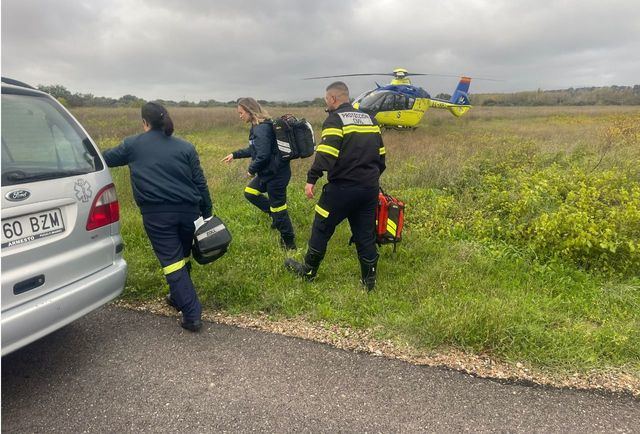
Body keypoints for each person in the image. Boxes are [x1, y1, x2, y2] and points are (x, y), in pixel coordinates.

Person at [103, 102, 212, 332]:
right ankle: (176, 297)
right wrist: (207, 211)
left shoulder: (132, 145)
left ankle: (192, 314)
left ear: (145, 122)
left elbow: (105, 159)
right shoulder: (186, 147)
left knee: (172, 263)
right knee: (182, 256)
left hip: (158, 215)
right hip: (189, 211)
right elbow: (200, 182)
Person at [285, 81, 386, 291]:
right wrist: (370, 180)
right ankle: (369, 282)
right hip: (369, 190)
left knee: (321, 227)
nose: (326, 103)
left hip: (341, 190)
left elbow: (326, 155)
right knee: (365, 234)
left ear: (332, 98)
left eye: (326, 100)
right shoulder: (370, 120)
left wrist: (311, 178)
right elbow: (381, 157)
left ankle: (309, 271)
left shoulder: (334, 120)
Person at [222, 97, 296, 250]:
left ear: (250, 111)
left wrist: (250, 171)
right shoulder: (258, 126)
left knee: (279, 208)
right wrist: (234, 154)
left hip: (276, 175)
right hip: (268, 173)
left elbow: (263, 155)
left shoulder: (261, 128)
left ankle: (290, 243)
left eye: (241, 113)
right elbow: (255, 150)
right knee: (250, 192)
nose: (240, 116)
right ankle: (274, 216)